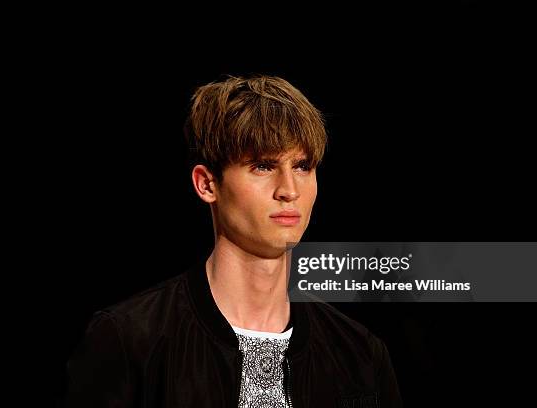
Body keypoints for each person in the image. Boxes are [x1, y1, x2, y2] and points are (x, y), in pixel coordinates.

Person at [63, 75, 402, 407]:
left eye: (302, 166)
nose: (289, 190)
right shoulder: (130, 340)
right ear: (207, 185)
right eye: (262, 166)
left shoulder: (361, 355)